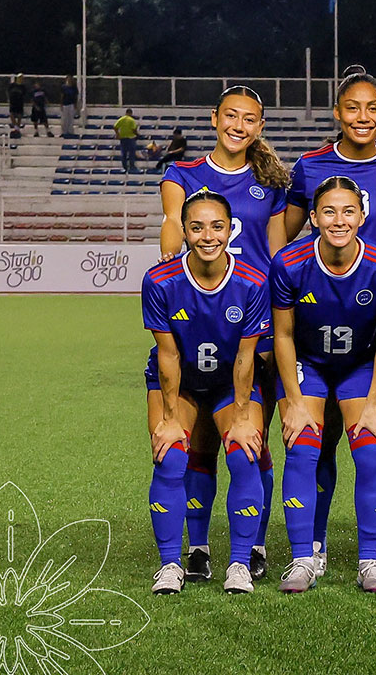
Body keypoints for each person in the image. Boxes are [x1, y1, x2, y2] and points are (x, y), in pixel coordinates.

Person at [284, 65, 376, 583]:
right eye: (352, 107)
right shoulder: (310, 166)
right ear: (337, 113)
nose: (363, 116)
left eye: (372, 108)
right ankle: (310, 548)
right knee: (311, 443)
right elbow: (283, 231)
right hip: (317, 324)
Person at [157, 84, 291, 585]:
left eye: (249, 118)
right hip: (198, 319)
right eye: (231, 116)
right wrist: (171, 266)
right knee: (198, 444)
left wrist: (283, 319)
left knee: (250, 439)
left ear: (260, 126)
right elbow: (173, 224)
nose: (238, 125)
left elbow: (276, 253)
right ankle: (197, 549)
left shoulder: (269, 182)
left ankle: (253, 544)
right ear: (214, 118)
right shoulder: (183, 174)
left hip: (254, 324)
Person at [271, 176, 376, 594]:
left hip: (359, 365)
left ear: (362, 216)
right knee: (303, 444)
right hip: (308, 363)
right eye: (329, 211)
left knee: (371, 448)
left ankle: (370, 561)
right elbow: (283, 335)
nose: (339, 220)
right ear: (313, 218)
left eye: (348, 211)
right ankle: (303, 559)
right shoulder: (289, 263)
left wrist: (375, 402)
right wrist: (294, 401)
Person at [144, 190, 269, 595]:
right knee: (169, 455)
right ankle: (171, 565)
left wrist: (244, 416)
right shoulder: (160, 281)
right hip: (179, 383)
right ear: (183, 230)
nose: (207, 236)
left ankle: (239, 564)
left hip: (230, 383)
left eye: (217, 226)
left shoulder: (253, 282)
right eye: (196, 227)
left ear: (230, 230)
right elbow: (168, 355)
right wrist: (168, 419)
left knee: (244, 453)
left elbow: (246, 357)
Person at [114, 108, 139, 173]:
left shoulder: (121, 119)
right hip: (130, 138)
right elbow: (133, 129)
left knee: (124, 153)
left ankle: (124, 167)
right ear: (131, 113)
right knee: (131, 153)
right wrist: (137, 134)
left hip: (123, 138)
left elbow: (115, 127)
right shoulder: (131, 120)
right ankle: (132, 166)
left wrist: (117, 134)